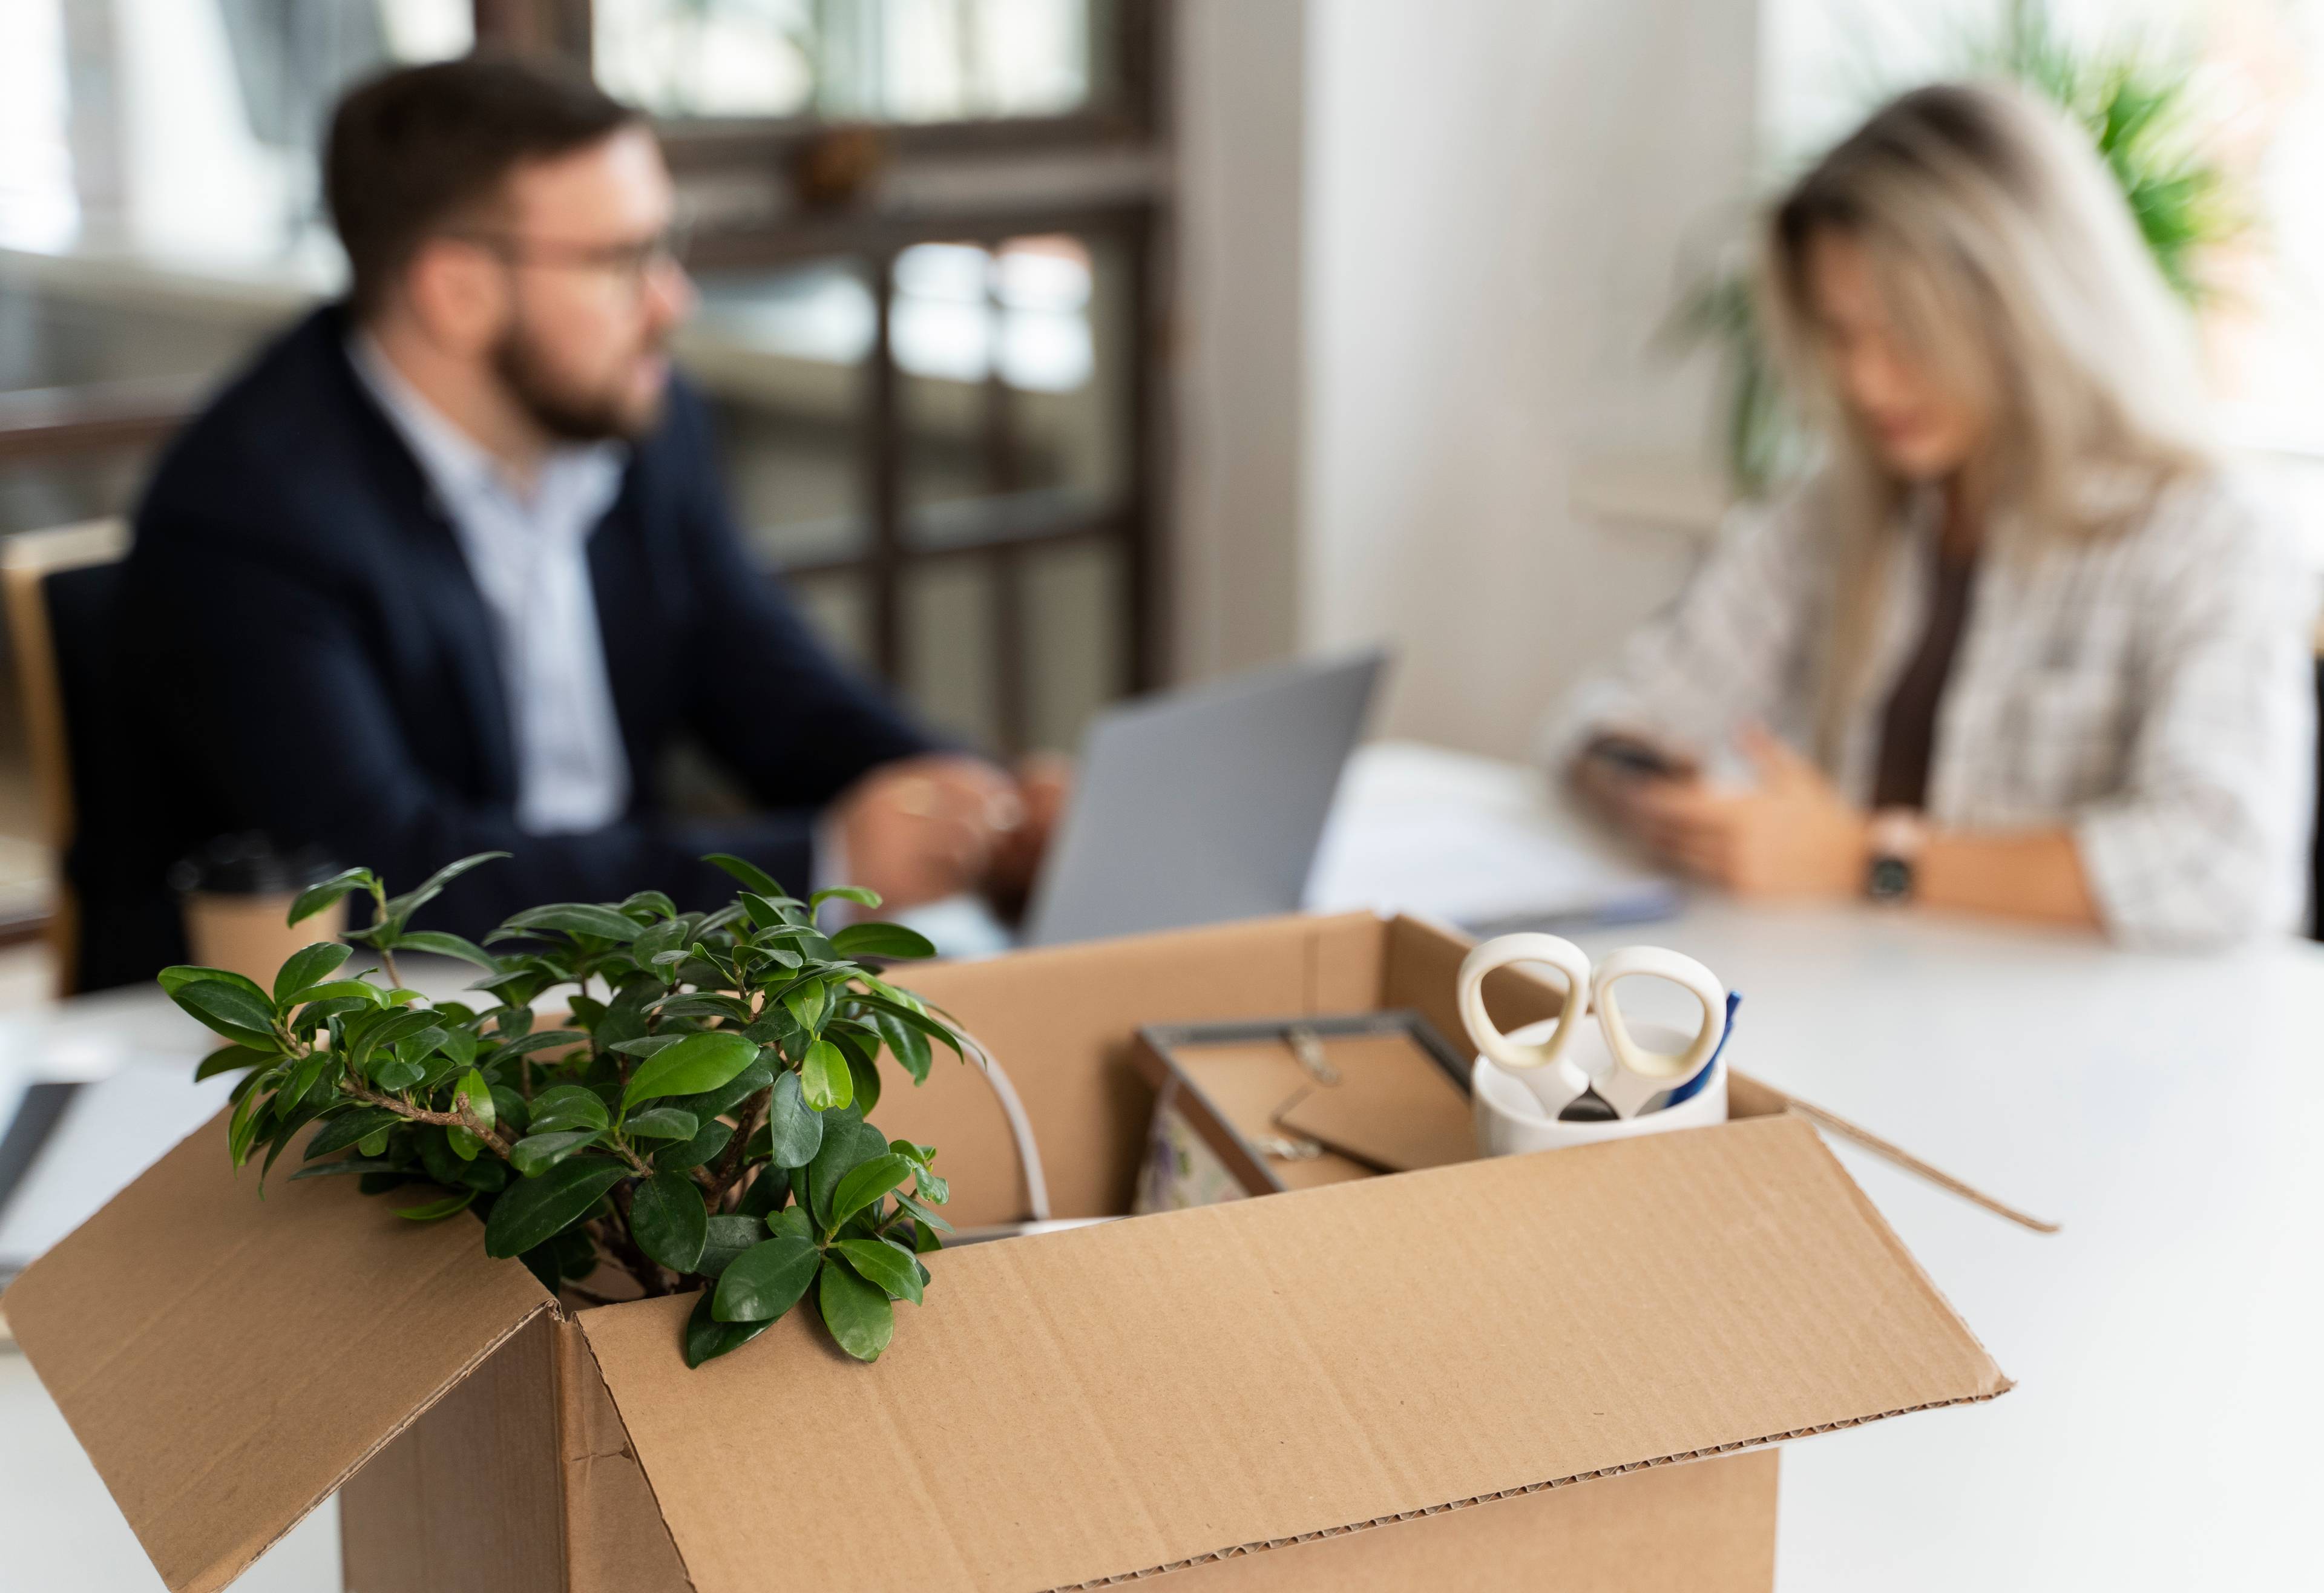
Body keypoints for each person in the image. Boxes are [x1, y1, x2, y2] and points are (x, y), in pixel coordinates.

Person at [103, 56, 1058, 984]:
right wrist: (815, 868)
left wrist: (982, 805)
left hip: (604, 995)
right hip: (312, 1051)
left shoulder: (643, 418)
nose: (671, 300)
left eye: (666, 246)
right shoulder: (248, 510)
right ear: (458, 290)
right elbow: (380, 872)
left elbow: (769, 682)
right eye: (622, 260)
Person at [1549, 82, 2315, 950]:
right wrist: (1663, 794)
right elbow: (1610, 715)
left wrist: (1860, 860)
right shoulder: (1831, 513)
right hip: (1869, 1005)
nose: (1869, 382)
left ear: (2028, 307)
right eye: (1842, 336)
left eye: (1906, 332)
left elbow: (2225, 866)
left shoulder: (2209, 528)